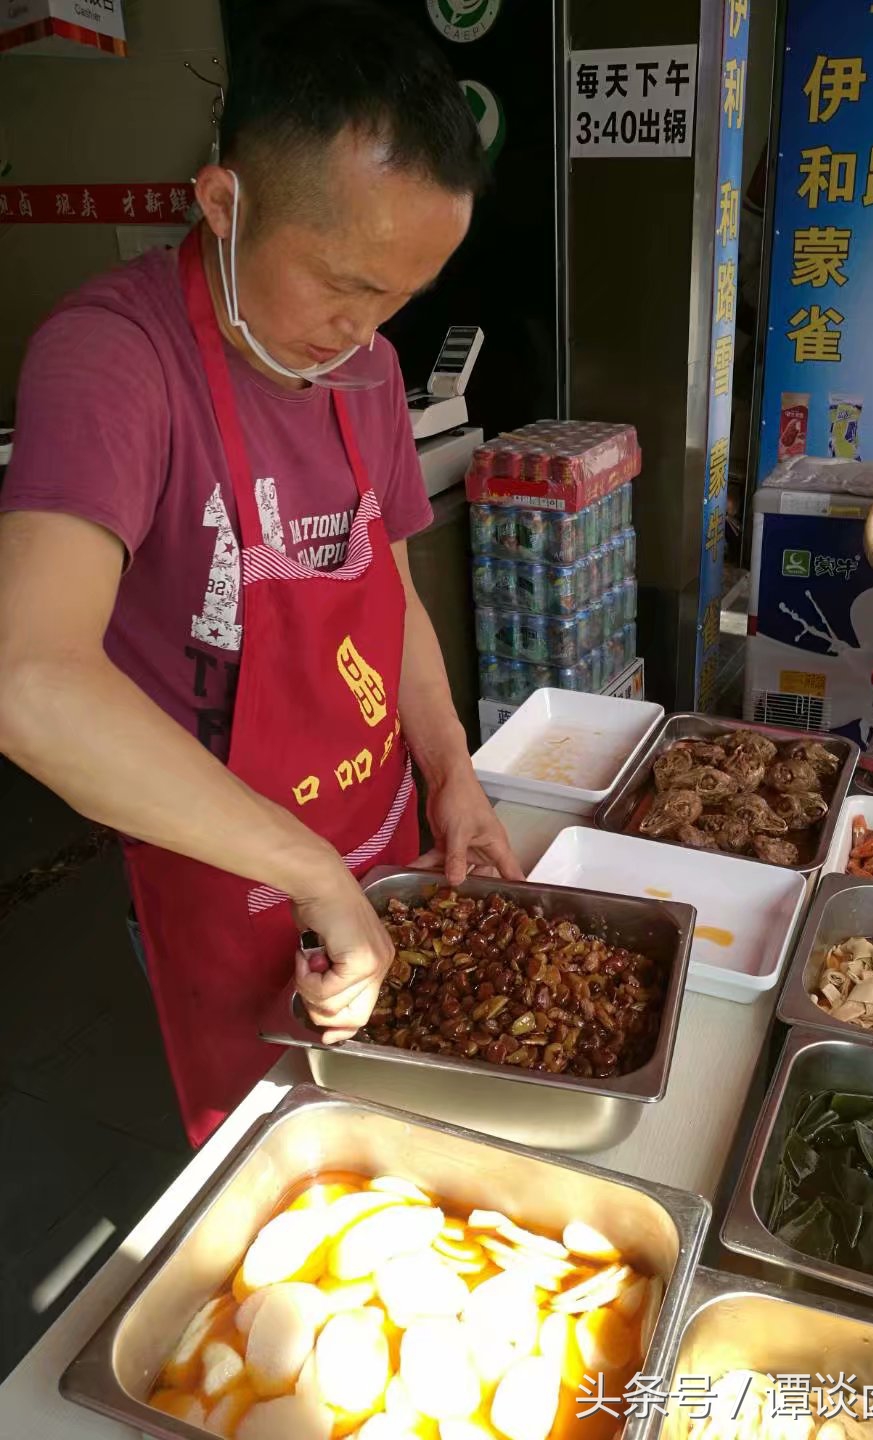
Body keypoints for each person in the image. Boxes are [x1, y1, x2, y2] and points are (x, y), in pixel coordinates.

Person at [0, 0, 521, 1148]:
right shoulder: (111, 360)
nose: (364, 329)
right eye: (343, 283)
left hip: (378, 835)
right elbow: (29, 683)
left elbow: (389, 602)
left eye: (399, 299)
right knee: (280, 1159)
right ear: (225, 204)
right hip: (219, 869)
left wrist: (450, 773)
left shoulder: (371, 372)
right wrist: (308, 871)